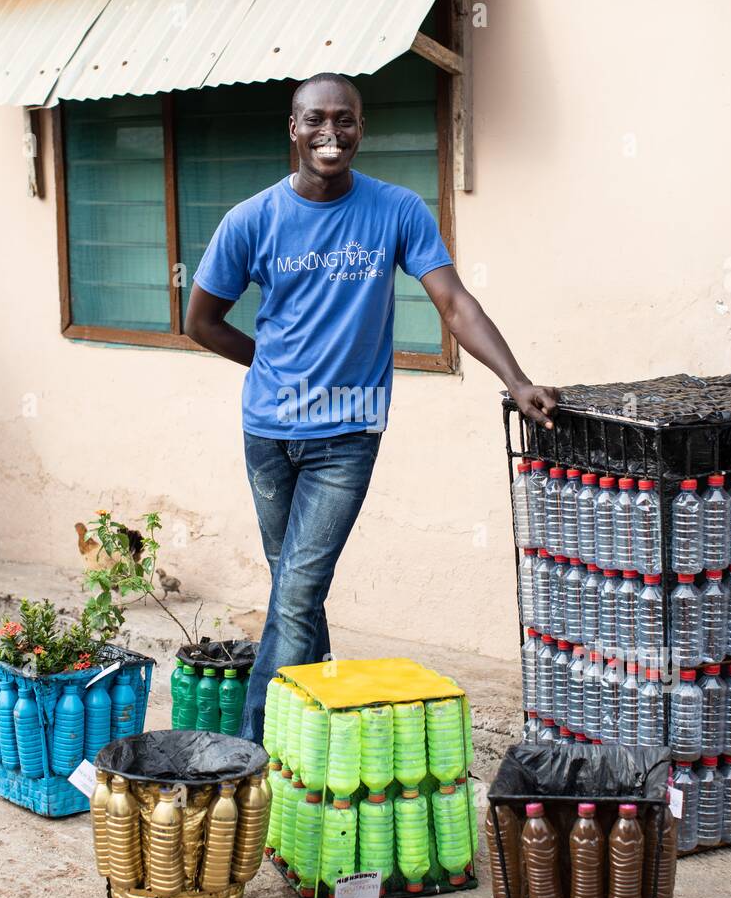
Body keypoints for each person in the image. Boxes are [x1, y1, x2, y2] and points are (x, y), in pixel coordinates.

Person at [186, 72, 558, 741]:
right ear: (293, 128)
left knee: (296, 592)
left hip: (347, 435)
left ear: (362, 128)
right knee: (295, 591)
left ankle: (252, 755)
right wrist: (269, 366)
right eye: (315, 120)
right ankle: (319, 724)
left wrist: (517, 378)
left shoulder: (397, 211)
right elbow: (202, 320)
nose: (331, 133)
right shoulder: (252, 219)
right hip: (268, 433)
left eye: (345, 120)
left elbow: (454, 303)